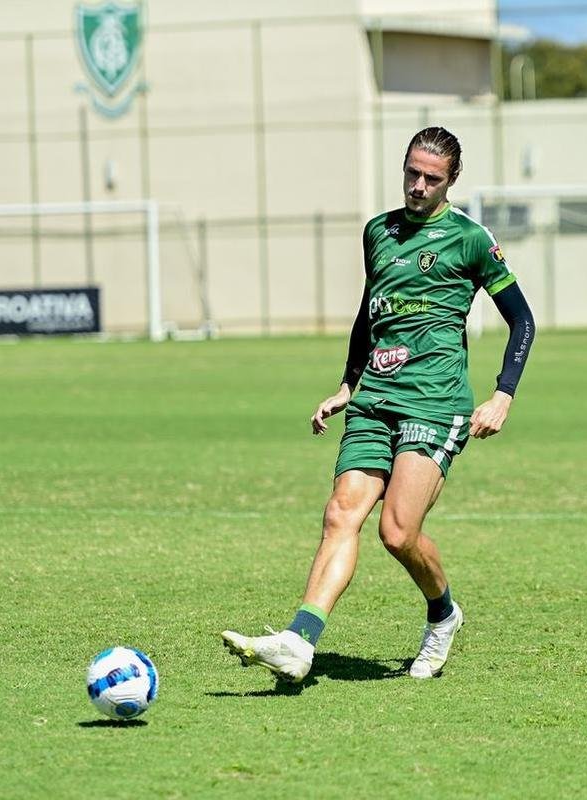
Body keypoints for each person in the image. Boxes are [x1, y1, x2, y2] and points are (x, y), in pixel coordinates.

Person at [222, 127, 536, 682]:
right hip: (376, 398)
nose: (417, 186)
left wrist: (502, 396)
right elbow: (368, 313)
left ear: (452, 180)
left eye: (431, 178)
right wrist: (347, 385)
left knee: (397, 533)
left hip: (436, 403)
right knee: (341, 513)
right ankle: (300, 640)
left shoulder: (469, 239)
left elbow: (523, 319)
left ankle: (443, 614)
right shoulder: (378, 231)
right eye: (411, 173)